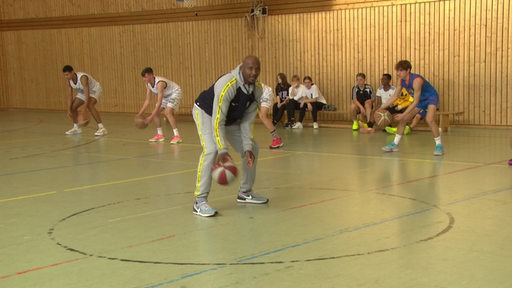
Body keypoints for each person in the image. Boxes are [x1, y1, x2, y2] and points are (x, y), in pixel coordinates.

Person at [192, 55, 269, 217]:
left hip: (230, 119)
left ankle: (245, 192)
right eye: (250, 68)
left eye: (257, 69)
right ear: (242, 68)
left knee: (252, 148)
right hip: (206, 113)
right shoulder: (228, 84)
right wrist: (222, 149)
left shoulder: (257, 90)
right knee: (211, 150)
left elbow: (247, 122)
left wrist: (246, 147)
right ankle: (200, 201)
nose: (254, 72)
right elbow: (217, 120)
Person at [381, 60, 444, 155]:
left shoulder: (416, 81)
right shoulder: (400, 80)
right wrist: (381, 108)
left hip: (430, 97)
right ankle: (395, 144)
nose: (398, 73)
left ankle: (439, 146)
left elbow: (416, 101)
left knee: (429, 119)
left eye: (401, 71)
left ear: (408, 70)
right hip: (420, 99)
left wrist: (403, 114)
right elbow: (394, 96)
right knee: (404, 119)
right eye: (397, 71)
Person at [137, 67, 183, 144]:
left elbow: (159, 102)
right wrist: (140, 114)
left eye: (145, 77)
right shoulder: (148, 84)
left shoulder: (160, 83)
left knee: (167, 112)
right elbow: (147, 100)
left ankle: (177, 136)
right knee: (156, 113)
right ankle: (160, 135)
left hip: (174, 93)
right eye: (143, 77)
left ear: (151, 75)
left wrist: (151, 117)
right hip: (166, 96)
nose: (144, 79)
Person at [62, 65, 108, 136]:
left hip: (94, 89)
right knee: (73, 107)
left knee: (90, 105)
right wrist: (68, 109)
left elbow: (87, 93)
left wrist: (84, 108)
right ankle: (76, 128)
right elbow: (69, 96)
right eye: (65, 75)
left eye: (67, 75)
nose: (66, 77)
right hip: (82, 91)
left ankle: (102, 128)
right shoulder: (69, 81)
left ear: (72, 72)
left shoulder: (83, 78)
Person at [259, 83, 284, 149]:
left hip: (265, 92)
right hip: (257, 95)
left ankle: (277, 139)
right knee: (260, 116)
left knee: (262, 116)